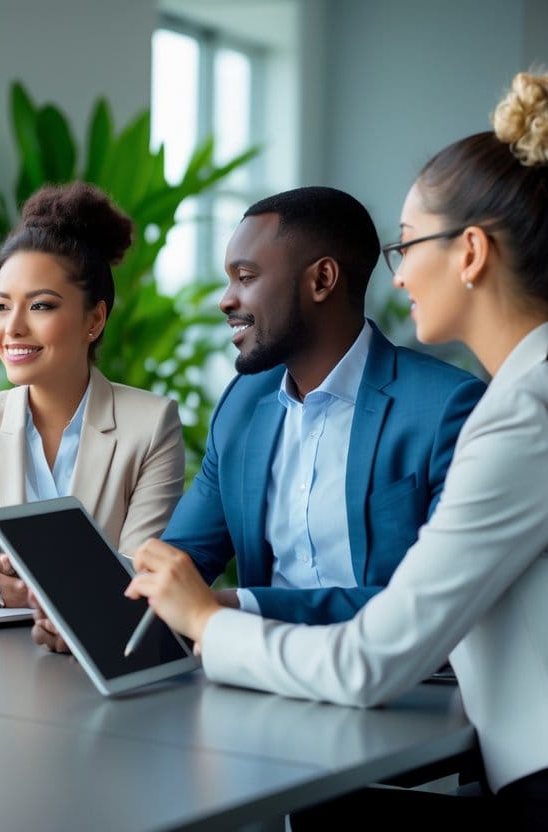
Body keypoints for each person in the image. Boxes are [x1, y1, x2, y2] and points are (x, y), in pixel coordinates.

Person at [126, 70, 548, 828]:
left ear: (471, 253)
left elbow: (370, 659)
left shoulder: (511, 415)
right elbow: (182, 553)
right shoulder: (524, 396)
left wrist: (212, 615)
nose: (398, 271)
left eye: (407, 244)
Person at [32, 187, 485, 653]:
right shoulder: (243, 407)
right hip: (257, 679)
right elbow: (181, 557)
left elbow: (424, 604)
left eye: (245, 277)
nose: (226, 300)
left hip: (405, 690)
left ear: (322, 279)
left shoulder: (448, 408)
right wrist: (96, 613)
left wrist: (222, 609)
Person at [0, 182, 185, 608]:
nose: (12, 327)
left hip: (102, 650)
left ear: (95, 319)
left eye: (41, 306)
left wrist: (50, 590)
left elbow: (141, 568)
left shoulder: (151, 424)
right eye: (2, 306)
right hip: (3, 652)